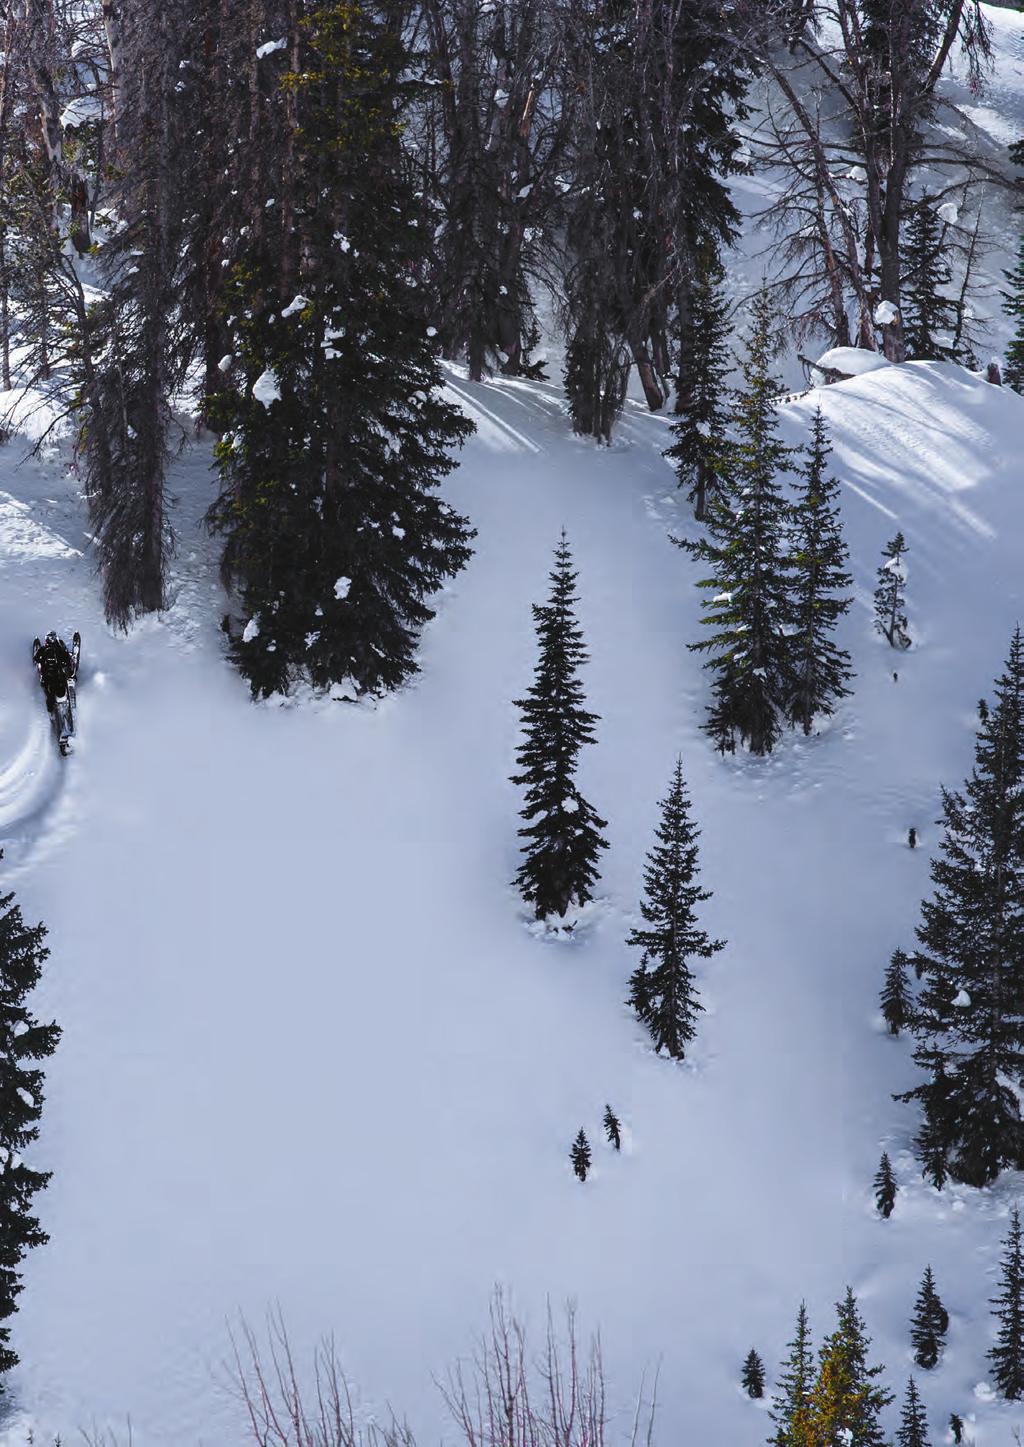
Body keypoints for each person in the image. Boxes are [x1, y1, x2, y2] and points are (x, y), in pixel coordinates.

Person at [32, 630, 80, 715]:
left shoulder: (55, 649)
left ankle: (54, 710)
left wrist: (66, 663)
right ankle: (52, 713)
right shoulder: (46, 649)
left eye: (52, 637)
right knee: (51, 694)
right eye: (50, 638)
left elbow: (66, 658)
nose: (51, 639)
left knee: (56, 691)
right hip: (49, 676)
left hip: (55, 675)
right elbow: (36, 658)